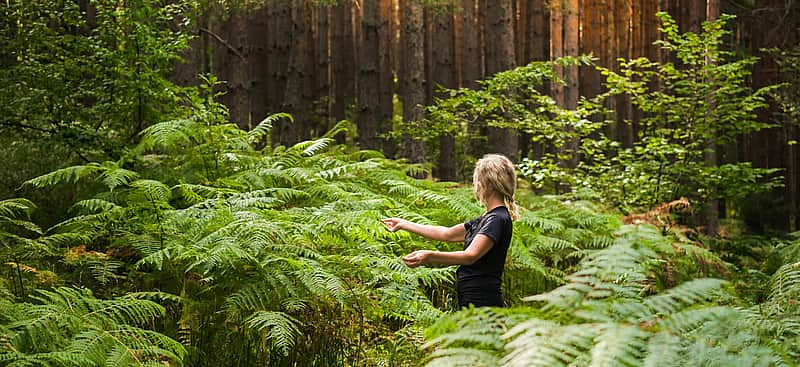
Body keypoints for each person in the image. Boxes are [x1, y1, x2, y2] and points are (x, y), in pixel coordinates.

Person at [381, 154, 519, 308]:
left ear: (489, 183)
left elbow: (470, 256)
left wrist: (429, 256)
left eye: (478, 180)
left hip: (483, 300)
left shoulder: (497, 219)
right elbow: (447, 234)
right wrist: (403, 223)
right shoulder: (488, 218)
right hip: (474, 298)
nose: (476, 185)